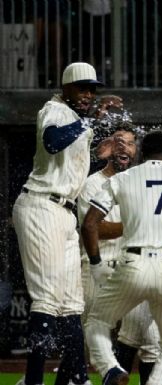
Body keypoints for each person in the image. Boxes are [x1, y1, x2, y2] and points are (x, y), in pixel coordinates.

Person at [81, 130, 162, 385]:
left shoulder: (124, 177)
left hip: (132, 264)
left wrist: (95, 264)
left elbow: (89, 225)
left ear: (140, 151)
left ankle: (110, 369)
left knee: (97, 321)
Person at [12, 62, 108, 385]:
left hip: (65, 212)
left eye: (92, 89)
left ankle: (74, 377)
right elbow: (53, 142)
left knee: (71, 304)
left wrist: (100, 158)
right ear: (65, 88)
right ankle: (33, 380)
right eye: (82, 87)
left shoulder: (80, 121)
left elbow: (68, 168)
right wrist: (88, 122)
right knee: (48, 300)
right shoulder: (53, 108)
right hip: (41, 205)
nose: (88, 94)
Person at [77, 123, 161, 383]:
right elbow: (94, 229)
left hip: (131, 266)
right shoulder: (92, 183)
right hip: (96, 266)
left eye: (130, 143)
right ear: (108, 148)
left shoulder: (140, 183)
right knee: (91, 341)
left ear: (137, 151)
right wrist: (135, 223)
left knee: (151, 342)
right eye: (118, 141)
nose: (124, 147)